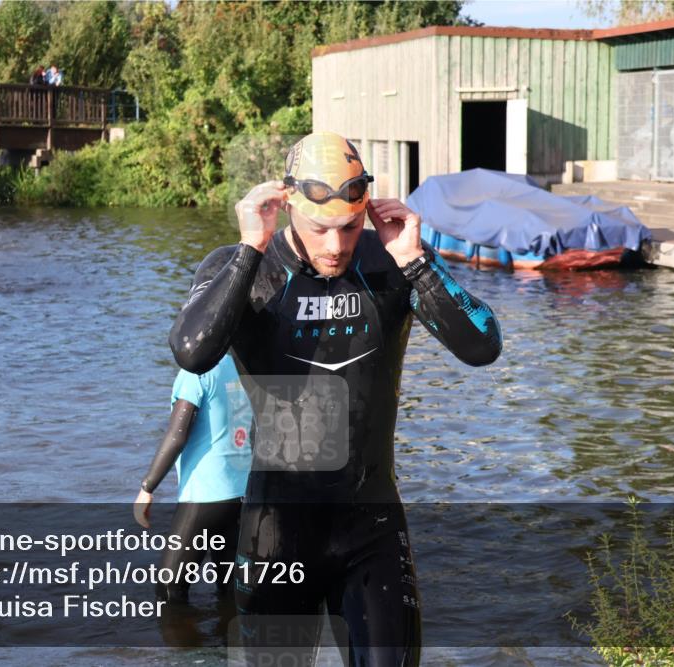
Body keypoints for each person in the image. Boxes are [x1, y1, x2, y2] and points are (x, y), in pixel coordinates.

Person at [168, 131, 502, 665]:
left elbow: (484, 346)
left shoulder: (390, 261)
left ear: (366, 209)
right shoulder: (244, 268)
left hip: (371, 527)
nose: (335, 245)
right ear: (286, 205)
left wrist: (417, 262)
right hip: (276, 531)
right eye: (319, 228)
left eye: (348, 227)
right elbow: (192, 351)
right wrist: (249, 249)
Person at [134, 355, 253, 603]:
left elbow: (177, 435)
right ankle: (228, 637)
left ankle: (183, 640)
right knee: (230, 588)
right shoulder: (241, 365)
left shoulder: (195, 373)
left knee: (169, 589)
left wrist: (147, 487)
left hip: (205, 496)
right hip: (242, 492)